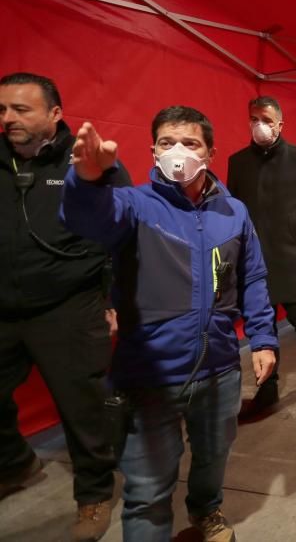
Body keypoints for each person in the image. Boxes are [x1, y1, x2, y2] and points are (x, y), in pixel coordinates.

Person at [61, 106, 278, 542]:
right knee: (147, 492)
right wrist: (86, 181)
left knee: (213, 458)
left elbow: (252, 277)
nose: (178, 151)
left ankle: (205, 510)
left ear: (210, 153)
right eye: (166, 142)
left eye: (190, 143)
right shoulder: (134, 204)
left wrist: (263, 339)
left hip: (219, 370)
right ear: (153, 150)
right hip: (151, 376)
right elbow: (87, 218)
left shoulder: (233, 212)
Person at [0, 73, 130, 541]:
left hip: (69, 306)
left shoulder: (87, 162)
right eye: (2, 111)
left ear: (54, 114)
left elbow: (123, 231)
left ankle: (94, 495)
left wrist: (113, 297)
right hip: (4, 307)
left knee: (84, 412)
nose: (8, 119)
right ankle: (16, 463)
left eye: (21, 109)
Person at [227, 96, 296, 412]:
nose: (261, 125)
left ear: (280, 124)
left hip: (292, 259)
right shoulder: (238, 162)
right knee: (263, 326)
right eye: (254, 118)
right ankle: (268, 386)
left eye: (267, 120)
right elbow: (234, 210)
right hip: (256, 263)